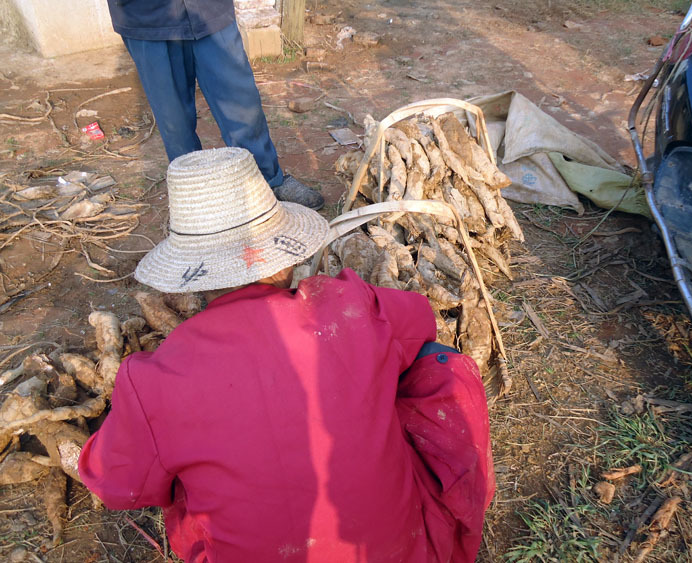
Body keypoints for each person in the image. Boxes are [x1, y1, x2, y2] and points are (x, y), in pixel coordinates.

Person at [78, 147, 495, 562]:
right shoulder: (350, 306)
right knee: (439, 363)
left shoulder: (153, 381)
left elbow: (117, 486)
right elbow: (422, 326)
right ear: (285, 259)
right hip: (403, 552)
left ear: (191, 281)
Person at [105, 0, 324, 210]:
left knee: (242, 104)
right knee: (174, 121)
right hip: (147, 16)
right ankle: (199, 203)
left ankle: (268, 182)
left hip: (209, 9)